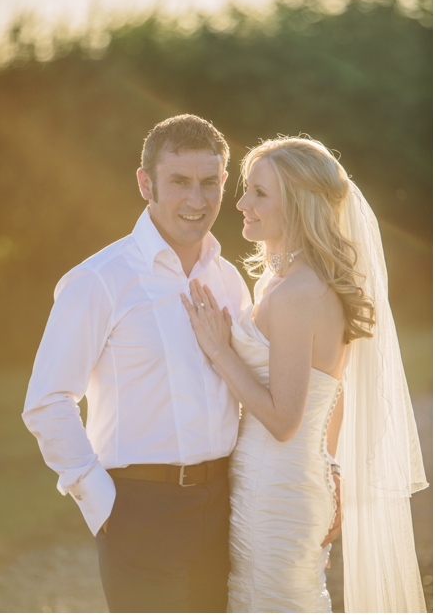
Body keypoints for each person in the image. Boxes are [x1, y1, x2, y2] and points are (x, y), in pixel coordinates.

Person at [182, 136, 427, 611]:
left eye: (258, 193)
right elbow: (329, 392)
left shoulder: (298, 294)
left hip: (276, 489)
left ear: (296, 205)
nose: (241, 203)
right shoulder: (284, 282)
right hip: (283, 479)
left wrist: (219, 350)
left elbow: (285, 418)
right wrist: (332, 471)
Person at [23, 114, 254, 612]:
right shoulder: (100, 280)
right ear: (146, 184)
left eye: (209, 182)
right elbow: (47, 402)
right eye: (179, 182)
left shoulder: (232, 280)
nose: (197, 200)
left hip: (225, 503)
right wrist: (103, 505)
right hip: (139, 511)